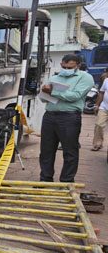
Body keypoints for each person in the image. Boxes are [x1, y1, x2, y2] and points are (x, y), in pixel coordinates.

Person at [39, 54, 94, 182]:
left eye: (70, 67)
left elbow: (75, 96)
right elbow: (43, 98)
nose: (66, 69)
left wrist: (52, 92)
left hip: (69, 118)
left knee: (70, 151)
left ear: (78, 65)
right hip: (49, 116)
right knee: (46, 151)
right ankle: (45, 179)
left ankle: (67, 181)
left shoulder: (85, 78)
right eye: (64, 66)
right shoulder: (54, 77)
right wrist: (44, 92)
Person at [92, 68, 108, 151]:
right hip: (104, 107)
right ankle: (98, 144)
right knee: (99, 125)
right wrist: (97, 105)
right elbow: (101, 93)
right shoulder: (106, 81)